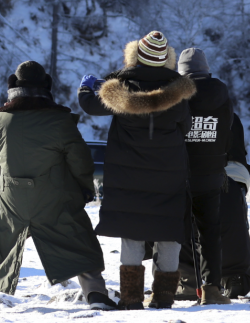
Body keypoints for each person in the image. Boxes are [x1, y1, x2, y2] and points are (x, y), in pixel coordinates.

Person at [0, 61, 116, 315]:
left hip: (11, 199)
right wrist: (85, 190)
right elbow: (81, 160)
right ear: (46, 87)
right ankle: (96, 294)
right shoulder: (60, 120)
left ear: (13, 86)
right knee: (78, 240)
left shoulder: (1, 119)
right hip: (54, 199)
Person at [78, 31, 195, 310]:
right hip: (168, 174)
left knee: (132, 232)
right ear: (166, 59)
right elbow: (186, 127)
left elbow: (90, 105)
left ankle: (131, 298)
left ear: (136, 56)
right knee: (168, 231)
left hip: (128, 176)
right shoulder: (178, 92)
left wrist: (85, 88)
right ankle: (164, 297)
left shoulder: (121, 88)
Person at [175, 113, 250, 300]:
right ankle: (235, 278)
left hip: (196, 171)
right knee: (231, 222)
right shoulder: (227, 112)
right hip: (235, 172)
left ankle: (188, 280)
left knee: (185, 222)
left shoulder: (180, 113)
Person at [177, 47, 233, 305]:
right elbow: (228, 130)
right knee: (209, 233)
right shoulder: (221, 94)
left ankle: (174, 285)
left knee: (172, 231)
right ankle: (211, 289)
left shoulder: (176, 94)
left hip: (179, 172)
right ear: (206, 69)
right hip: (211, 172)